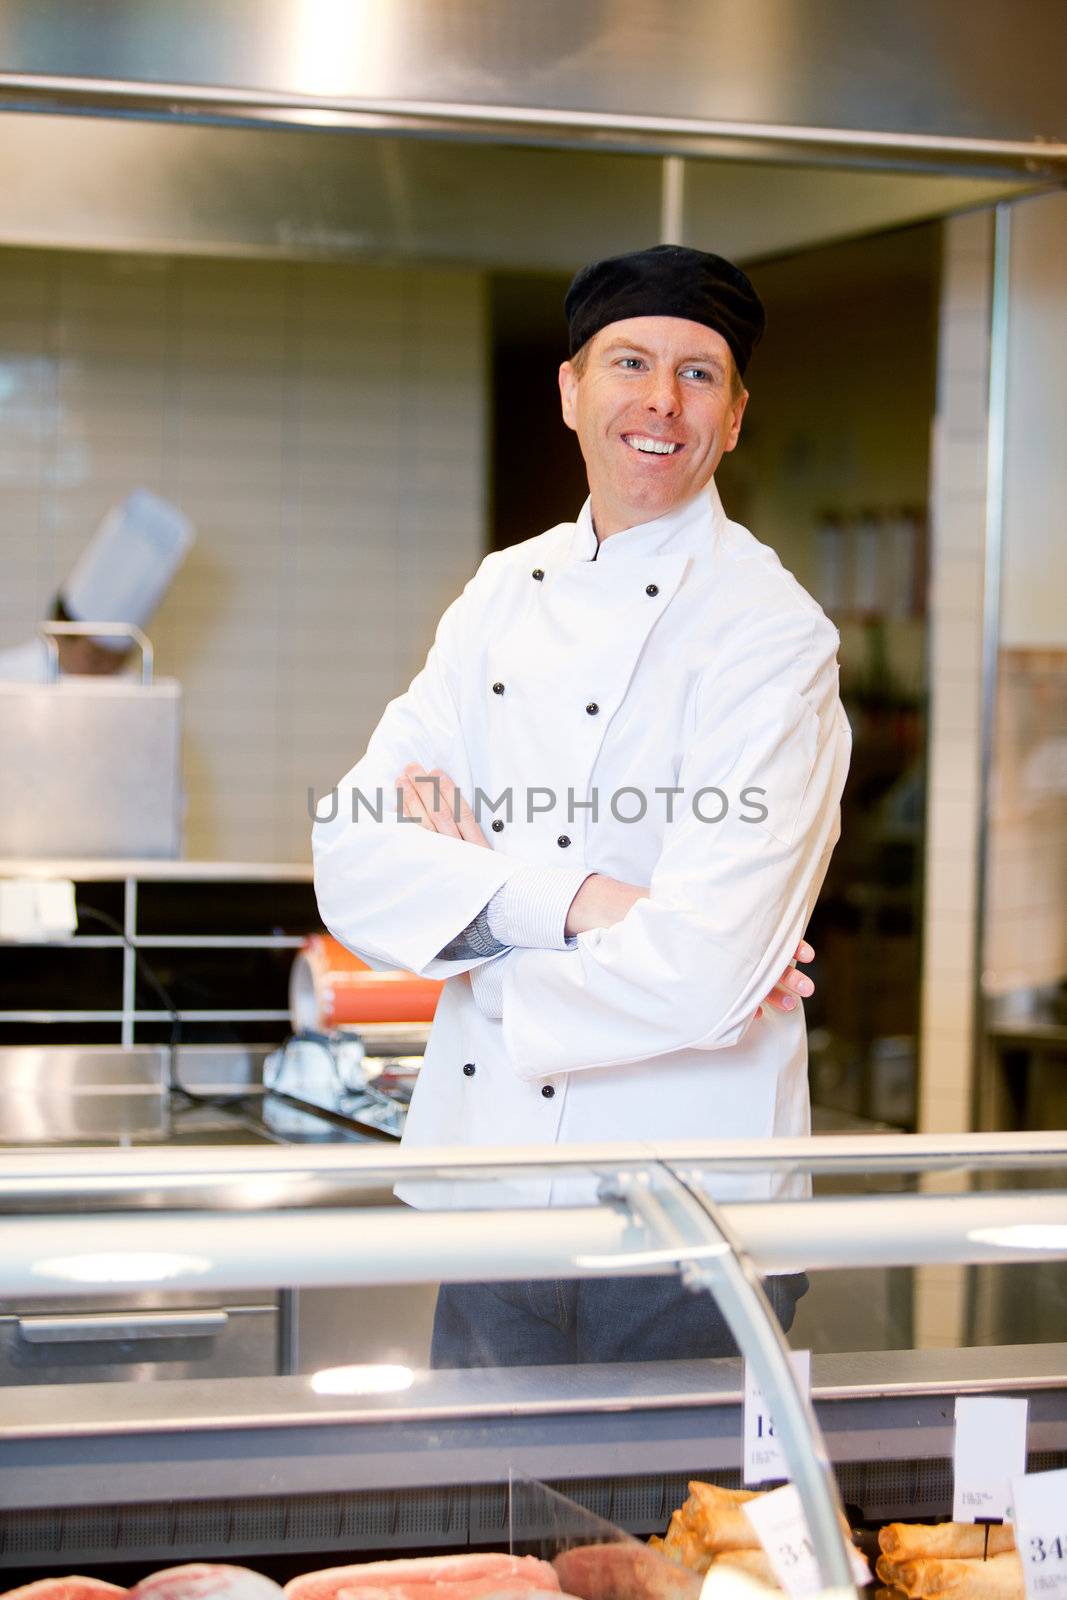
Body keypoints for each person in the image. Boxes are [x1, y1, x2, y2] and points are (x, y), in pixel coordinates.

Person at [312, 244, 852, 1367]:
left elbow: (703, 967)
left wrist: (475, 936)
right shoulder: (500, 592)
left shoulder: (771, 633)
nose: (660, 401)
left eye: (697, 374)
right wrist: (592, 903)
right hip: (489, 1197)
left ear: (734, 417)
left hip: (685, 1223)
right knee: (488, 1543)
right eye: (629, 362)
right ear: (570, 391)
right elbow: (354, 858)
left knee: (667, 1545)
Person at [0, 489, 194, 681]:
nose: (105, 673)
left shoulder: (133, 691)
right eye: (96, 659)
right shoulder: (10, 678)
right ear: (60, 634)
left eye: (118, 661)